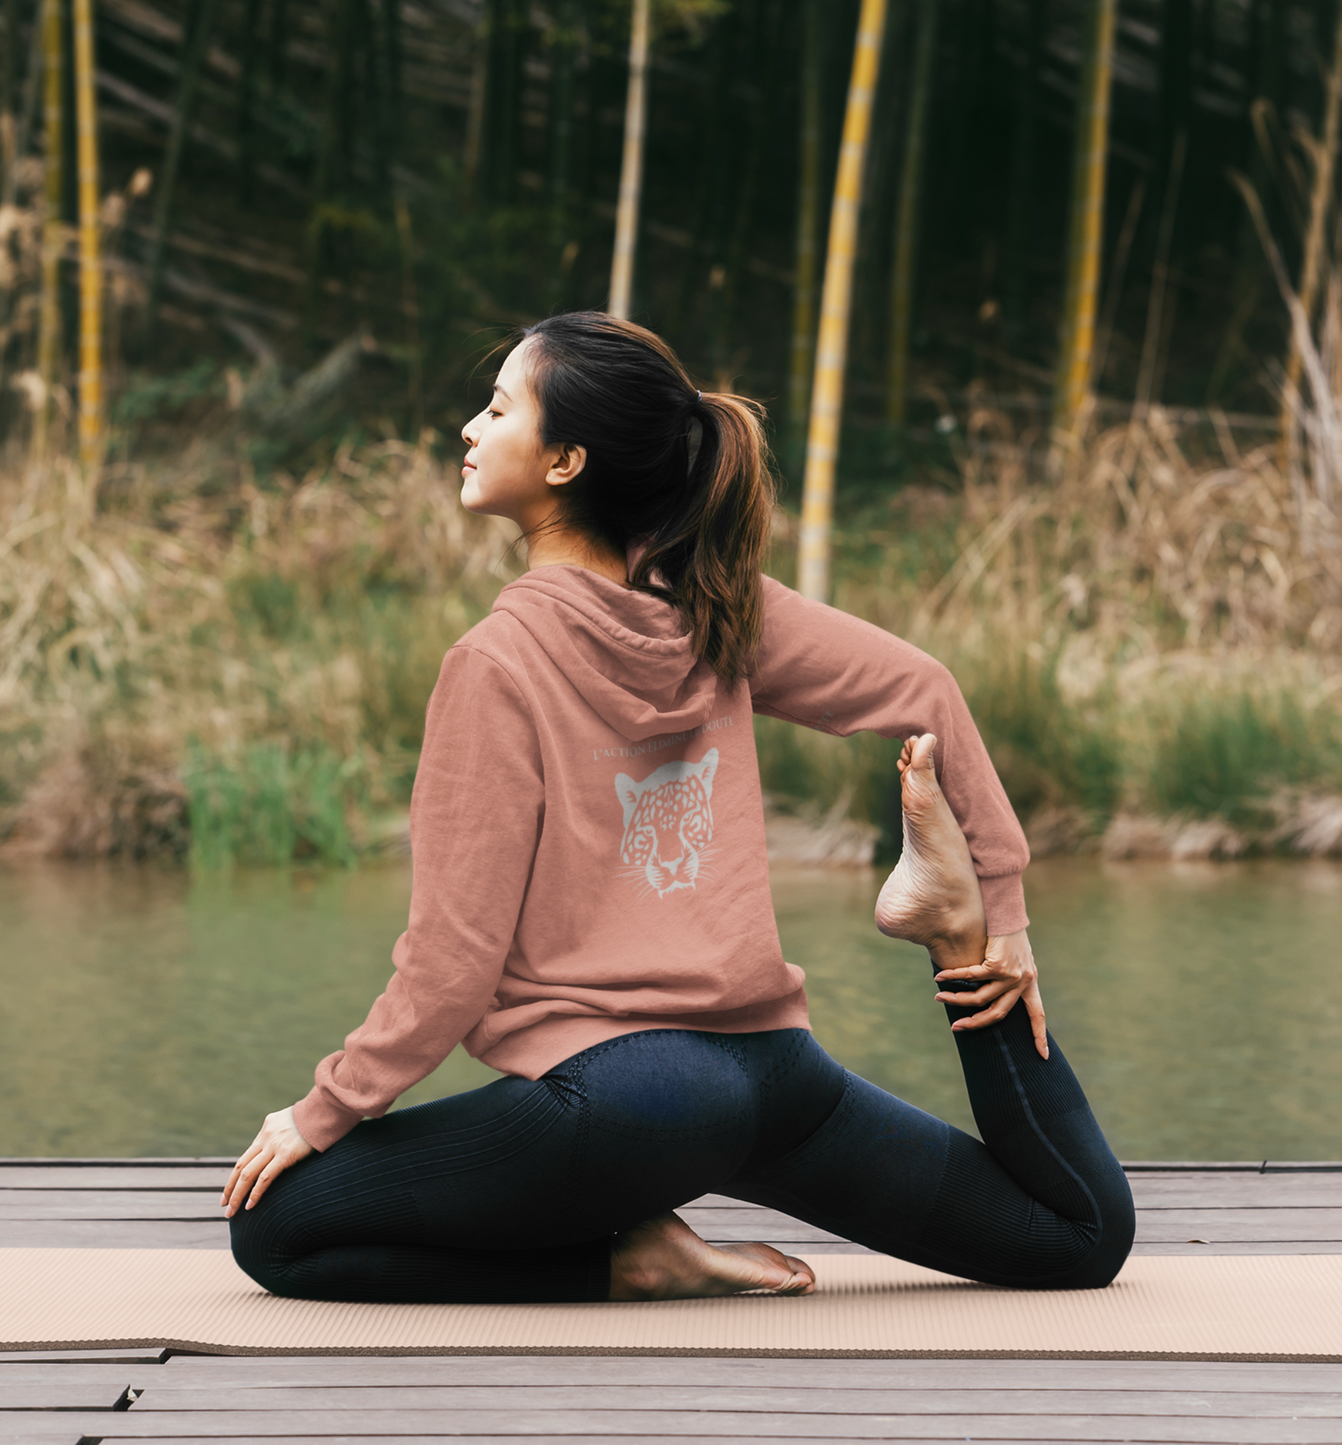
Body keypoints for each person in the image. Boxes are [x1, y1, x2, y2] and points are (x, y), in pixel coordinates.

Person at [224, 313, 1134, 1303]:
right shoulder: (715, 604)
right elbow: (924, 688)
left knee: (274, 1229)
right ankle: (950, 943)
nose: (468, 429)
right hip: (776, 1079)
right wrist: (997, 912)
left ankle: (627, 1258)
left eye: (497, 408)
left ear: (567, 459)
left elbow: (450, 961)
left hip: (628, 1104)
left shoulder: (493, 665)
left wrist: (326, 1108)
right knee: (1073, 1234)